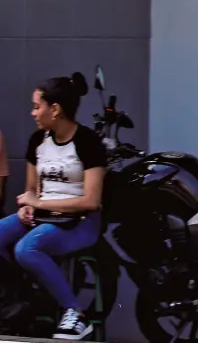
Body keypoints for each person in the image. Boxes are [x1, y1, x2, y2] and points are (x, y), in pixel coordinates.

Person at [0, 76, 107, 341]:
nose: (33, 113)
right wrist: (28, 205)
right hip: (42, 216)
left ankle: (76, 313)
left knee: (27, 248)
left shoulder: (88, 142)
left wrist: (38, 203)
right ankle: (20, 296)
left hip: (80, 222)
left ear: (55, 109)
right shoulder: (38, 140)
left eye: (37, 106)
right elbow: (32, 191)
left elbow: (92, 201)